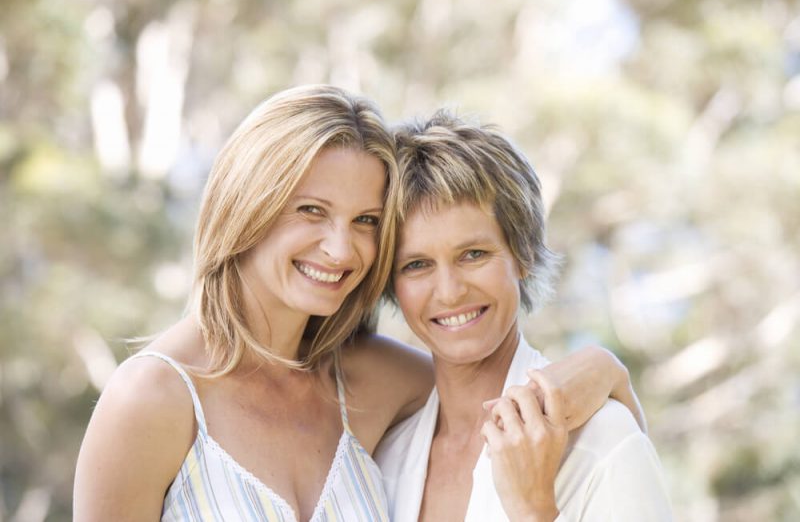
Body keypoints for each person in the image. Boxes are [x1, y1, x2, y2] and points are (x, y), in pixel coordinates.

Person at [74, 85, 646, 522]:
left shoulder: (367, 382)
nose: (341, 247)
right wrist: (604, 369)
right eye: (311, 210)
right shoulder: (150, 402)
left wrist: (602, 368)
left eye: (366, 221)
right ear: (246, 204)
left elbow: (482, 380)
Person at [375, 111, 673, 521]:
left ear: (523, 255)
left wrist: (533, 511)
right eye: (417, 265)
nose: (449, 291)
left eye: (473, 254)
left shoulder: (604, 440)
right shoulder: (383, 461)